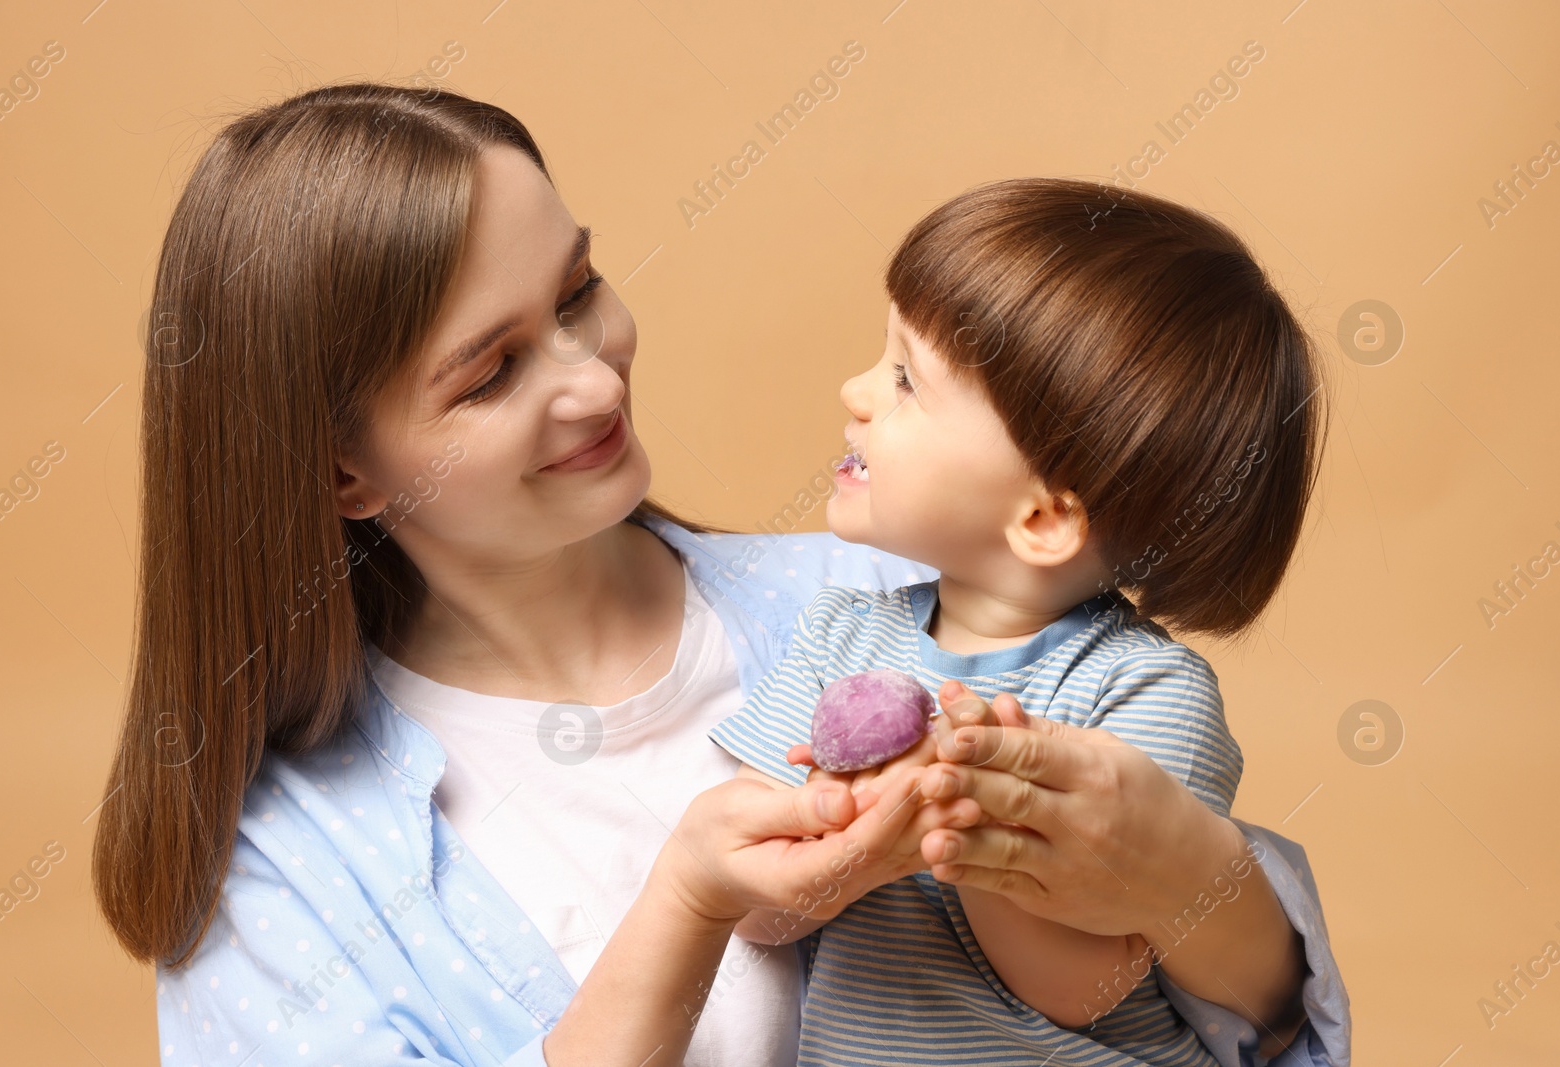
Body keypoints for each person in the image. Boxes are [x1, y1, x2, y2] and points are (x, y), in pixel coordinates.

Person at [89, 83, 1347, 1067]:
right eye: (490, 371)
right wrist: (687, 899)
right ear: (343, 475)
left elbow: (1261, 1027)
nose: (590, 379)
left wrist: (1189, 878)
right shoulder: (283, 870)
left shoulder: (873, 599)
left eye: (579, 290)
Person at [711, 177, 1345, 1065]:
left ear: (1042, 519)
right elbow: (754, 909)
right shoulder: (838, 635)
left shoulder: (1144, 690)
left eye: (904, 380)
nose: (855, 391)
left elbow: (1083, 988)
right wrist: (854, 827)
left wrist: (971, 820)